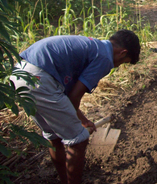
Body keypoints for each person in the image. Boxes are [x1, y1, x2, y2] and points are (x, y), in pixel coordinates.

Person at [11, 30, 140, 184]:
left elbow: (67, 98)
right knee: (79, 140)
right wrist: (80, 124)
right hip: (40, 80)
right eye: (122, 62)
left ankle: (65, 180)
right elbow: (74, 97)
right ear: (122, 52)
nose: (117, 66)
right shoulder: (105, 58)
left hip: (20, 75)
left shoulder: (93, 46)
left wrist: (83, 120)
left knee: (54, 136)